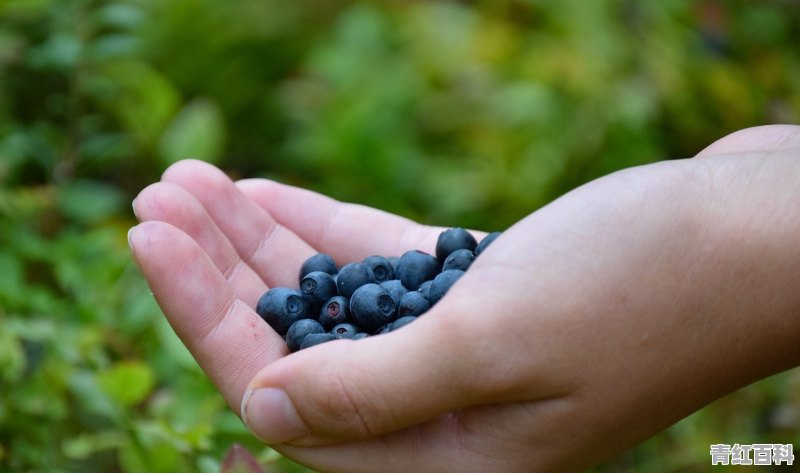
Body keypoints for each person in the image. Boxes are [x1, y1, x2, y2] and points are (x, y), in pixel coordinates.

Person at [128, 125, 800, 473]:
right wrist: (724, 196)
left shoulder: (399, 288)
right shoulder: (363, 292)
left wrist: (710, 234)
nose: (328, 307)